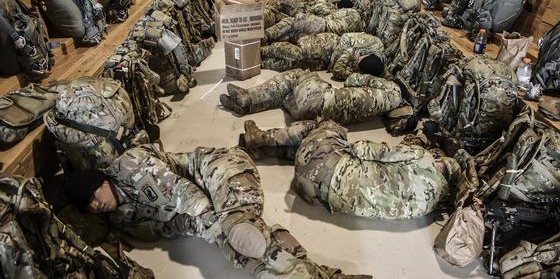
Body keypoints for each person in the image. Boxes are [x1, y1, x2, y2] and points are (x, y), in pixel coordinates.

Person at [65, 144, 369, 279]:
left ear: (101, 180)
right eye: (89, 207)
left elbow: (185, 196)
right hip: (198, 210)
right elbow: (172, 225)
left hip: (218, 169)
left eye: (92, 195)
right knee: (239, 252)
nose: (95, 205)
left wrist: (217, 230)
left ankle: (238, 227)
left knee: (236, 225)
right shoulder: (121, 217)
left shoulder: (130, 167)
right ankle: (322, 276)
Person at [239, 119, 459, 219]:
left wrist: (342, 140)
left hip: (319, 168)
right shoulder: (430, 206)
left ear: (441, 162)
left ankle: (261, 138)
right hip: (319, 196)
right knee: (324, 151)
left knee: (327, 127)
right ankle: (265, 151)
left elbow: (365, 149)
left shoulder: (424, 159)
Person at [219, 70, 401, 124]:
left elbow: (352, 78)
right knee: (287, 92)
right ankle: (245, 105)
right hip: (312, 112)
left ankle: (249, 97)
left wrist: (372, 76)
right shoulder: (385, 102)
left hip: (318, 100)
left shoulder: (391, 89)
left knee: (296, 75)